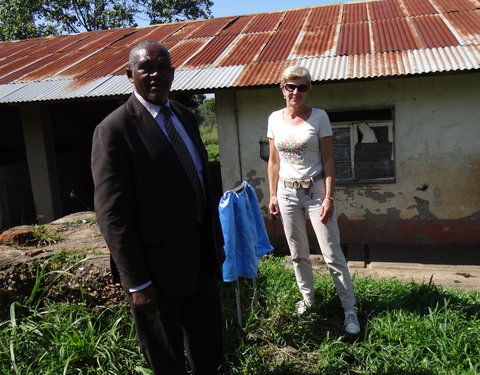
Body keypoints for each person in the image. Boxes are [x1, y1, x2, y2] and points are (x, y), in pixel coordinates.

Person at [91, 40, 225, 374]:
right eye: (146, 68)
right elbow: (112, 215)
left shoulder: (184, 116)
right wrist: (135, 282)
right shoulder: (115, 130)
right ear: (129, 74)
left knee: (209, 348)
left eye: (162, 67)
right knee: (167, 358)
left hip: (200, 259)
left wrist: (216, 244)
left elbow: (201, 184)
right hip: (155, 272)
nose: (155, 75)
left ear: (173, 72)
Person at [267, 66, 360, 335]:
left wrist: (329, 197)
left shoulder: (319, 117)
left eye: (302, 87)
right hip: (286, 192)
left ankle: (349, 310)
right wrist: (272, 193)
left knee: (332, 254)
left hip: (316, 191)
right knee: (298, 253)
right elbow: (274, 161)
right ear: (282, 88)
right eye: (291, 87)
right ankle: (308, 299)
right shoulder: (274, 118)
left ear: (308, 90)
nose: (296, 92)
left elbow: (329, 158)